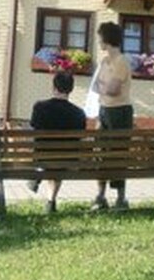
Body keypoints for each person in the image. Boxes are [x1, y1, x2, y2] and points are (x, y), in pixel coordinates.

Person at [27, 70, 87, 213]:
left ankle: (38, 173)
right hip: (66, 160)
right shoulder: (79, 113)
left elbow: (34, 126)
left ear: (54, 87)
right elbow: (81, 136)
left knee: (46, 152)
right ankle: (50, 201)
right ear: (71, 90)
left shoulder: (39, 107)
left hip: (42, 156)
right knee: (60, 161)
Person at [91, 21, 133, 210]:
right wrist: (103, 88)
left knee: (118, 154)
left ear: (106, 40)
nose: (98, 42)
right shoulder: (104, 62)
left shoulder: (121, 61)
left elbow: (113, 90)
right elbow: (97, 87)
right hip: (104, 110)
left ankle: (120, 198)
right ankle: (100, 196)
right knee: (101, 153)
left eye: (100, 38)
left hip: (119, 112)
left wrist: (102, 87)